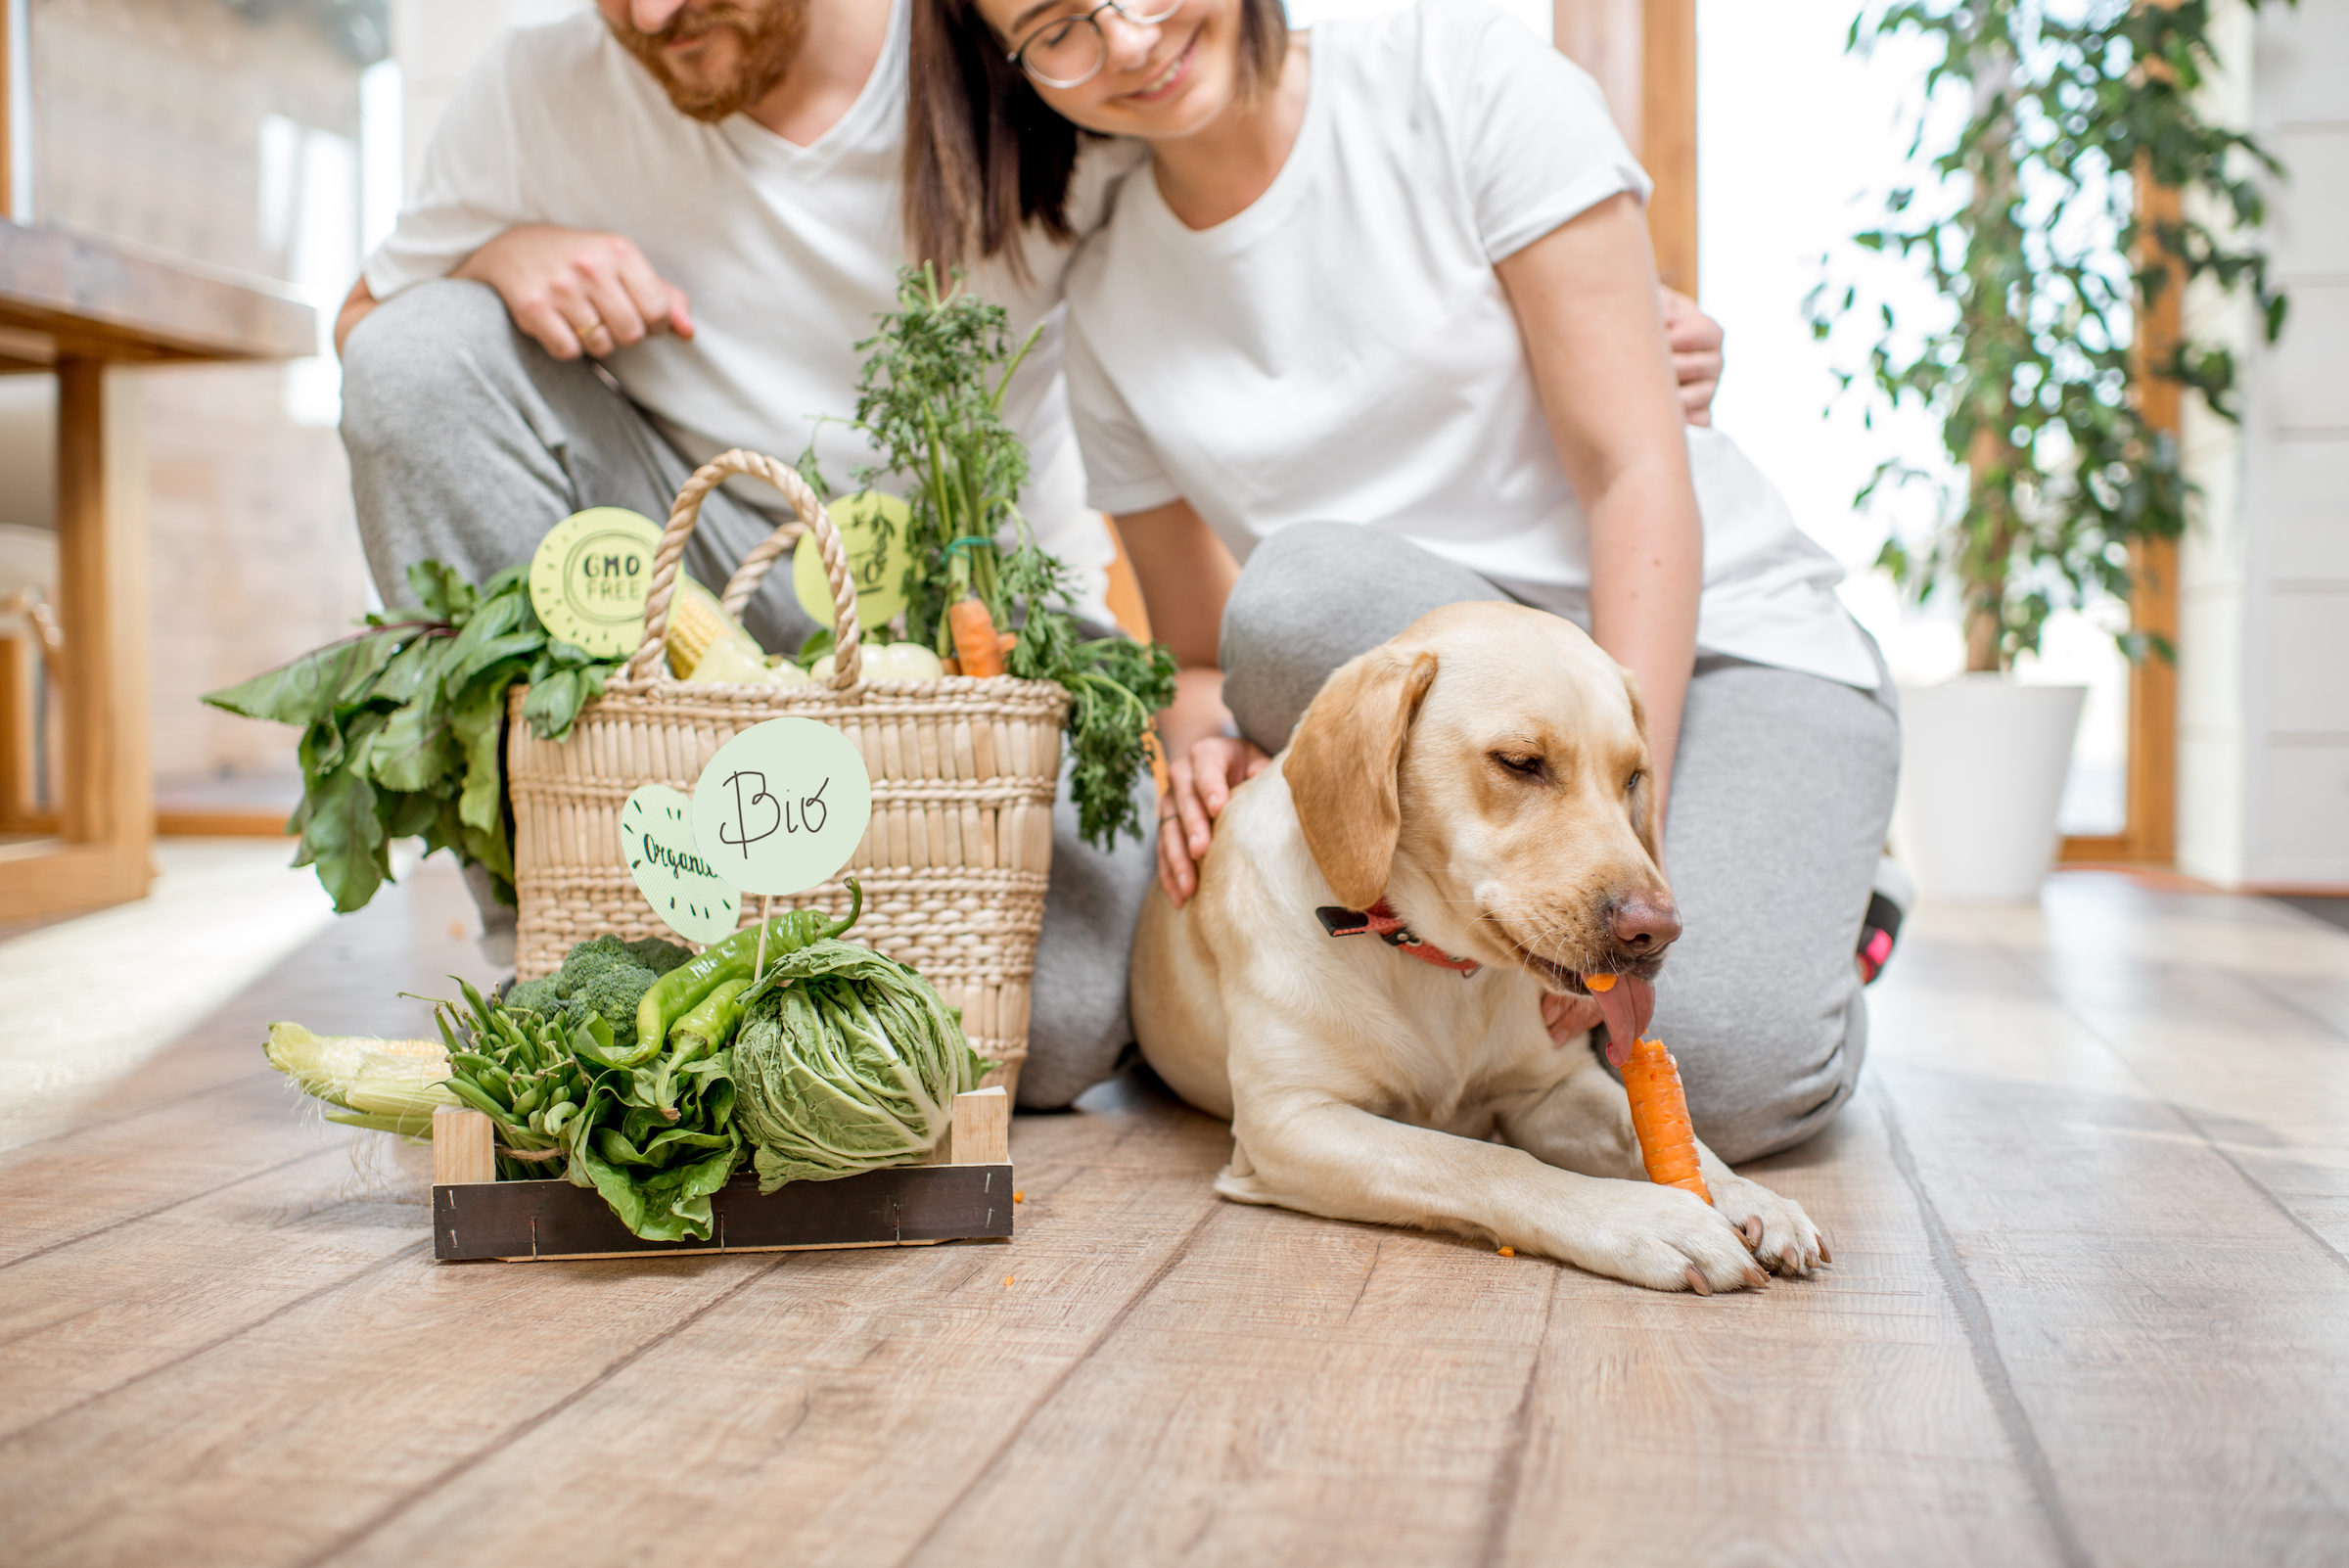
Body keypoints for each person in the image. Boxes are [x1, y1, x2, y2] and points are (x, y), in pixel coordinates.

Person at [334, 0, 1727, 1108]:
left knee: (1050, 1037)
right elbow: (372, 339)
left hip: (980, 621)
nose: (649, 11)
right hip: (683, 569)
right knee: (417, 356)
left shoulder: (1029, 65)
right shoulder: (540, 87)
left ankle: (792, 936)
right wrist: (500, 255)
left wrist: (1574, 295)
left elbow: (1270, 196)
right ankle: (570, 939)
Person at [916, 0, 1901, 1160]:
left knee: (1730, 1089)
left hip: (1725, 642)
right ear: (1012, 64)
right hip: (1442, 692)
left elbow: (1639, 474)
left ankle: (1841, 891)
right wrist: (1202, 747)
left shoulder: (1465, 81)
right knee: (1291, 608)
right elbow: (1195, 652)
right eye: (1058, 27)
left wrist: (1627, 849)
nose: (1127, 41)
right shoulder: (1116, 298)